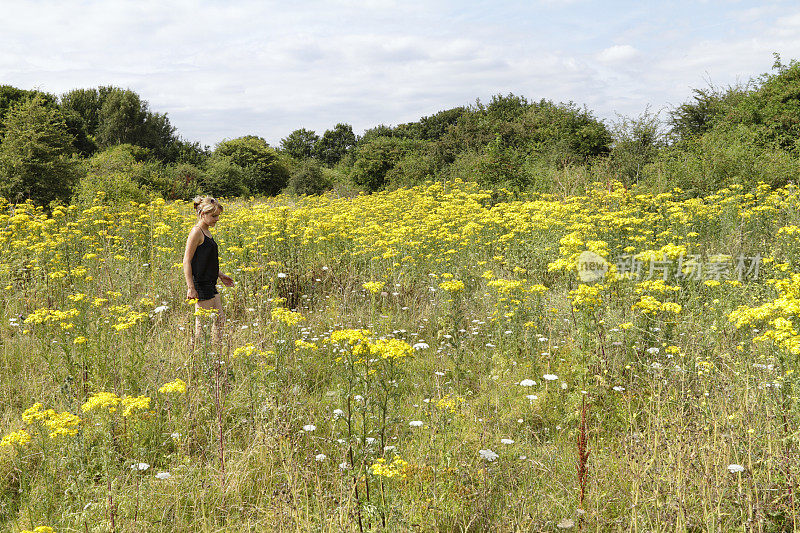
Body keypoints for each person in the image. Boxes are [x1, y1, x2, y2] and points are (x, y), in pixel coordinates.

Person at [183, 196, 234, 349]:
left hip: (211, 283)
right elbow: (187, 261)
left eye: (218, 215)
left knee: (219, 323)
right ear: (202, 214)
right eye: (213, 216)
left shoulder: (207, 232)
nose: (217, 219)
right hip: (201, 285)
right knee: (202, 327)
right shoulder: (196, 232)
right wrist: (191, 287)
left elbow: (206, 261)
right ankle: (194, 358)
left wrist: (220, 275)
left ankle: (215, 356)